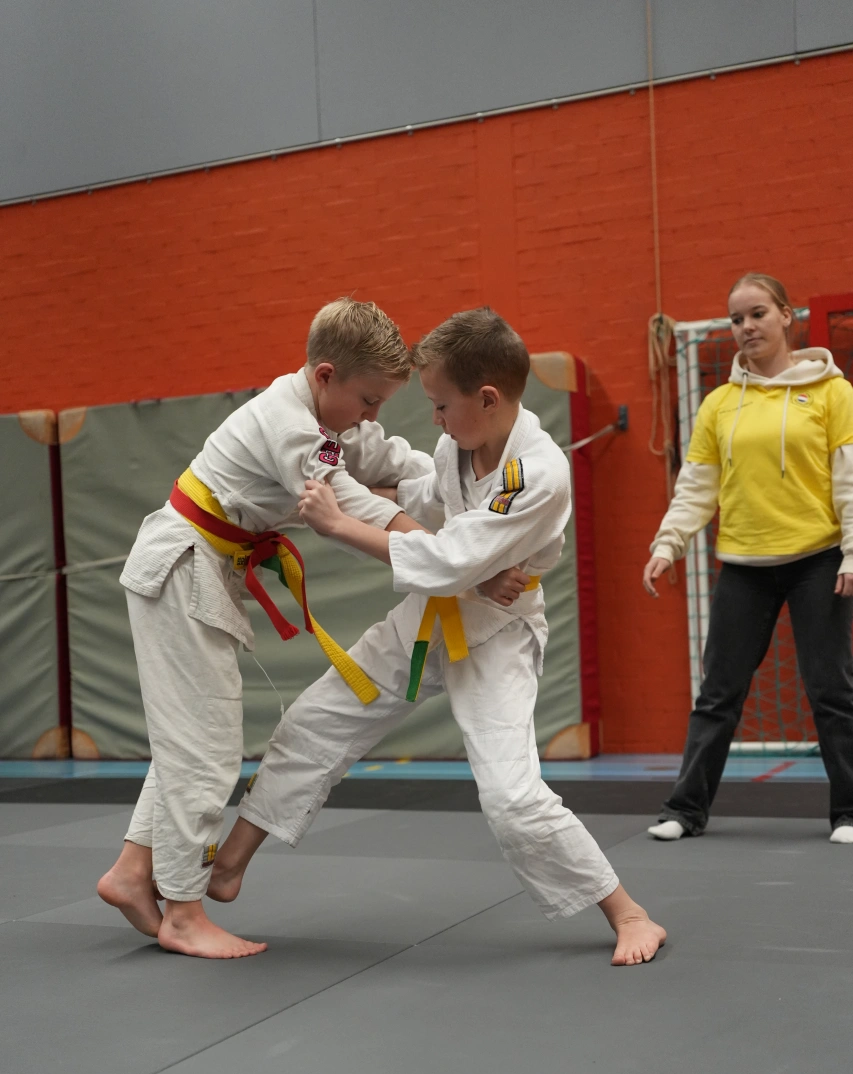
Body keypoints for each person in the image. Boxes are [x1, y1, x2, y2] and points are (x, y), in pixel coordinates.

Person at [210, 308, 667, 966]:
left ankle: (629, 913)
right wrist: (359, 484)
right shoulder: (461, 444)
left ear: (488, 398)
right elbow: (427, 498)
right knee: (316, 720)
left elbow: (452, 558)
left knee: (509, 796)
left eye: (441, 405)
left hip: (496, 639)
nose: (434, 420)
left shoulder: (536, 473)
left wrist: (339, 523)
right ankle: (230, 862)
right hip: (426, 620)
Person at [97, 299, 438, 957]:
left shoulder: (325, 416)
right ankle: (183, 912)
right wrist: (436, 546)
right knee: (207, 745)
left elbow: (380, 455)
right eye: (368, 399)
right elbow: (347, 500)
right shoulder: (291, 426)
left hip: (200, 567)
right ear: (325, 375)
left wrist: (456, 473)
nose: (372, 415)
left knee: (190, 733)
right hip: (183, 566)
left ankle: (133, 872)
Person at [643, 272, 853, 842]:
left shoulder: (832, 393)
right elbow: (697, 485)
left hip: (818, 560)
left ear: (786, 315)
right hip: (743, 566)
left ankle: (849, 812)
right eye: (737, 319)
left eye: (758, 313)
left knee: (831, 691)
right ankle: (685, 810)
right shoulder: (719, 404)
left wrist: (850, 554)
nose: (746, 327)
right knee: (718, 693)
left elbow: (847, 478)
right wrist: (668, 543)